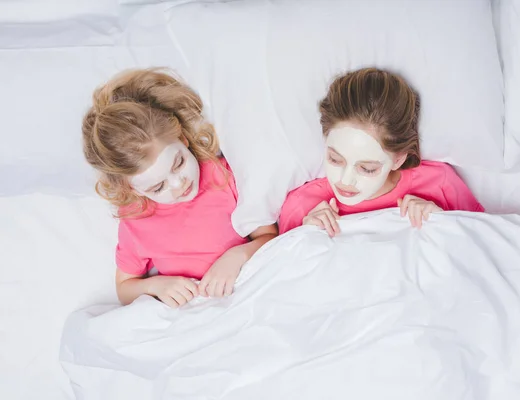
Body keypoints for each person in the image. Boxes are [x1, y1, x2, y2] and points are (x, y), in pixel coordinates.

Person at [82, 68, 277, 307]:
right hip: (185, 313)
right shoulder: (135, 217)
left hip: (241, 296)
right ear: (133, 190)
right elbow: (124, 287)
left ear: (182, 139)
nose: (178, 184)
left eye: (179, 163)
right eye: (158, 187)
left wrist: (237, 256)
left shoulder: (223, 176)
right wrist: (155, 285)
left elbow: (269, 236)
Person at [279, 68, 484, 236]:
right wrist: (303, 236)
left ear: (398, 160)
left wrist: (443, 222)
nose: (346, 180)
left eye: (367, 169)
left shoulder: (440, 184)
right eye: (335, 159)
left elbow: (483, 241)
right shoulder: (301, 206)